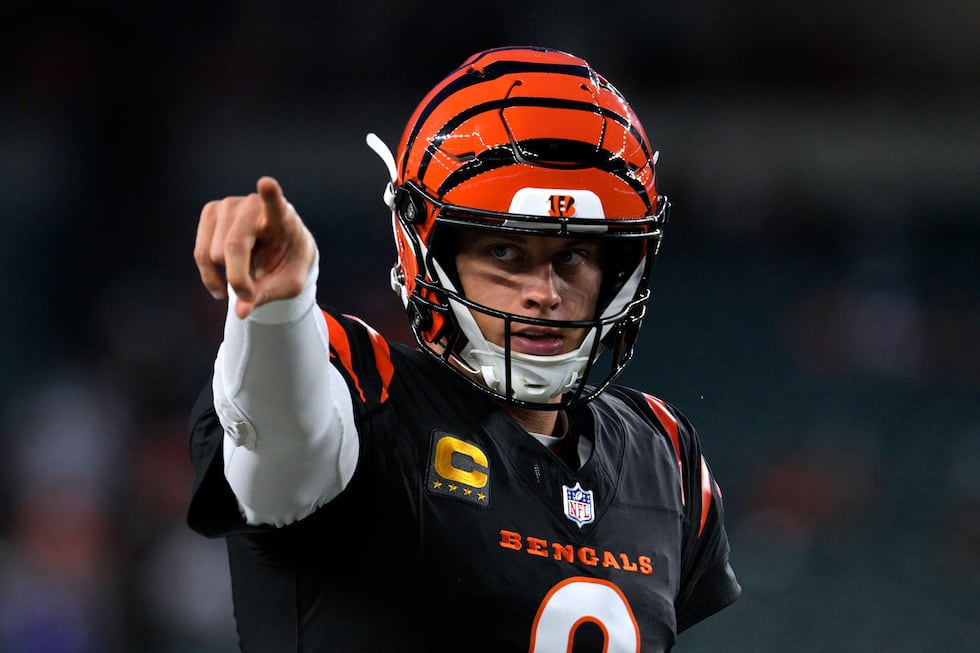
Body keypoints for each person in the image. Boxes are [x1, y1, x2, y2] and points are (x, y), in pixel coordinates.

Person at [187, 45, 740, 652]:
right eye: (505, 252)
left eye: (573, 254)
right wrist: (278, 315)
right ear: (430, 253)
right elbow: (279, 463)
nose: (545, 292)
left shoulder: (664, 453)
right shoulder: (364, 392)